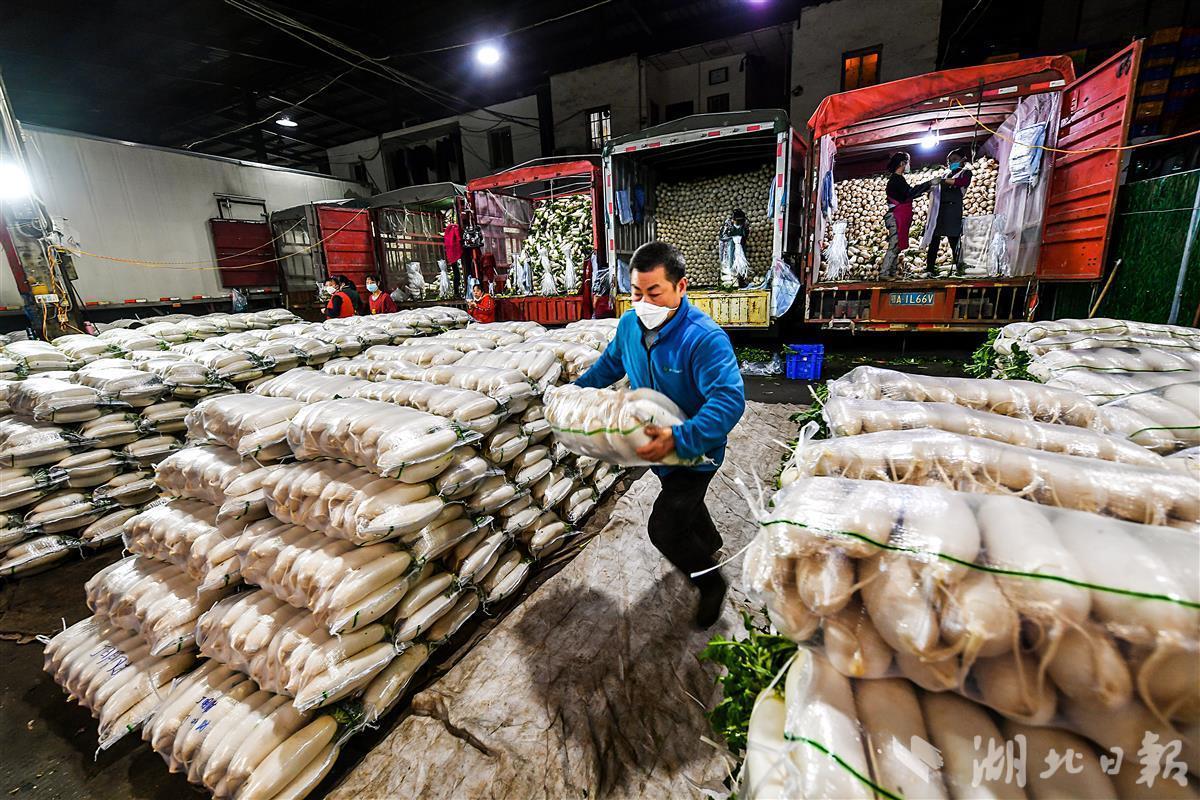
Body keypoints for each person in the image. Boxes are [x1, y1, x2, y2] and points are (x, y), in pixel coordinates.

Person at [575, 241, 746, 628]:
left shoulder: (704, 338)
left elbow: (728, 400)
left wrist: (680, 438)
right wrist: (575, 391)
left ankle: (711, 584)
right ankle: (710, 541)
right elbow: (609, 365)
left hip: (697, 453)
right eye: (637, 293)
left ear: (680, 287)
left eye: (654, 293)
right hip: (658, 449)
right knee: (683, 503)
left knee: (665, 527)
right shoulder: (629, 326)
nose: (644, 303)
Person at [880, 152, 934, 280]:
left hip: (898, 215)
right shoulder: (896, 180)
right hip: (895, 216)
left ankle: (892, 273)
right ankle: (884, 273)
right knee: (894, 245)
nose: (908, 165)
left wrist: (925, 189)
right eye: (907, 162)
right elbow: (909, 193)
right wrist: (928, 183)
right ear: (902, 163)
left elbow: (909, 193)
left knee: (897, 245)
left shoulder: (899, 179)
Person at [926, 149, 973, 276]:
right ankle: (929, 269)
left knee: (954, 241)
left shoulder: (965, 173)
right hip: (940, 211)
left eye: (954, 160)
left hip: (953, 211)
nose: (951, 163)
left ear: (963, 160)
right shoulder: (945, 174)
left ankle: (960, 268)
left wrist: (943, 182)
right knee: (934, 240)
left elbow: (963, 183)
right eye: (949, 161)